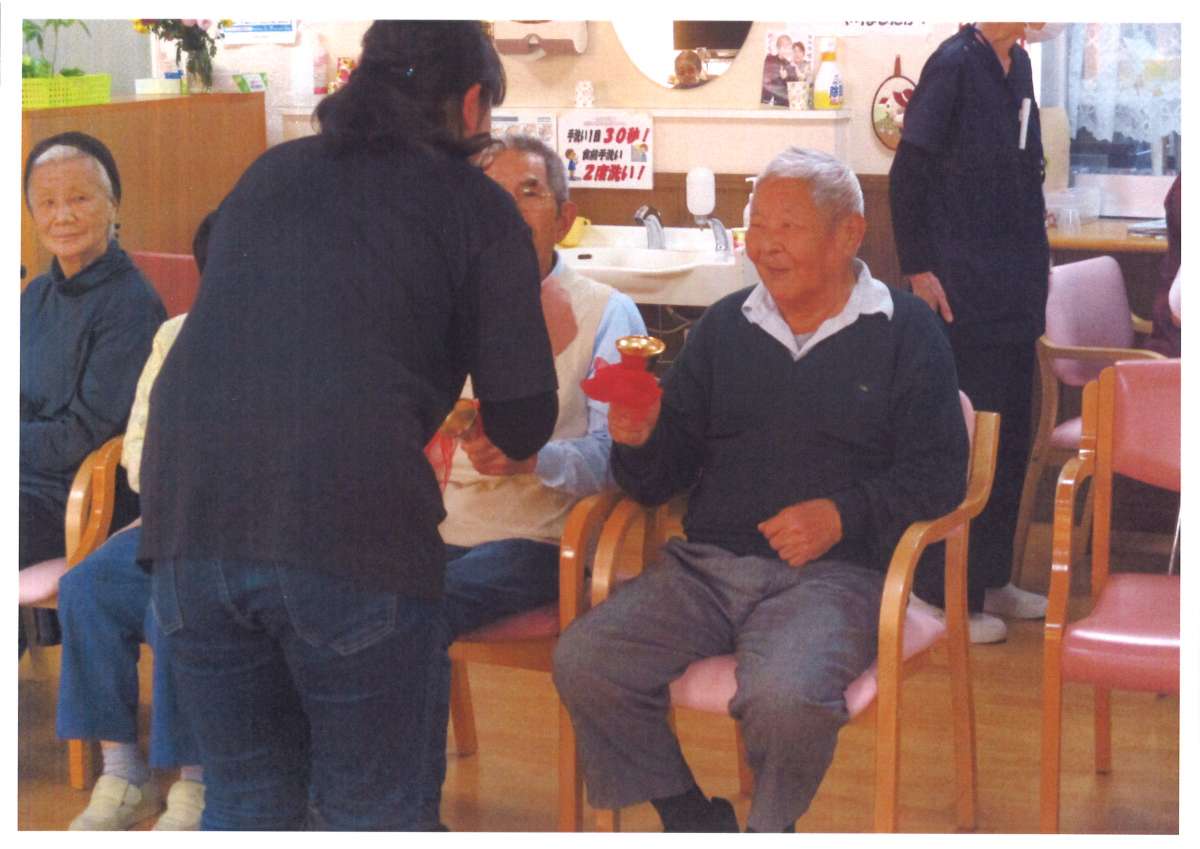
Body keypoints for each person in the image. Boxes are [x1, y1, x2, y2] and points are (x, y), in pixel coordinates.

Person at [136, 21, 558, 830]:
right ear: (472, 102)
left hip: (189, 521)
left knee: (246, 802)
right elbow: (523, 418)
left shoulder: (270, 172)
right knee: (374, 814)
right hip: (351, 526)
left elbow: (224, 268)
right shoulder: (476, 207)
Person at [553, 148, 968, 833]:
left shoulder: (906, 330)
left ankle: (770, 829)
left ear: (849, 234)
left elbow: (940, 474)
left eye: (789, 226)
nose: (766, 245)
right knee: (586, 659)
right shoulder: (723, 327)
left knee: (786, 696)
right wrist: (639, 440)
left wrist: (841, 515)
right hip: (706, 569)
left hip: (836, 576)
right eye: (758, 226)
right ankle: (690, 816)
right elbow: (661, 478)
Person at [417, 135, 645, 827]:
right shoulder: (438, 306)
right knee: (339, 590)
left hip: (543, 537)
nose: (508, 210)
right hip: (438, 521)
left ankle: (403, 808)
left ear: (564, 216)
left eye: (530, 193)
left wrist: (532, 459)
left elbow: (616, 455)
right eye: (492, 195)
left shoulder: (606, 312)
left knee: (414, 609)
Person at [888, 23, 1051, 644]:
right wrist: (918, 267)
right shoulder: (954, 64)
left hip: (1014, 288)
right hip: (962, 291)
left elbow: (1022, 167)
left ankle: (991, 578)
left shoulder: (1019, 65)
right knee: (965, 440)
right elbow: (908, 173)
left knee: (1008, 441)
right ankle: (940, 594)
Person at [55, 213, 216, 831]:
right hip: (171, 515)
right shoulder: (174, 335)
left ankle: (198, 781)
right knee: (86, 585)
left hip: (242, 530)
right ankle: (123, 773)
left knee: (172, 601)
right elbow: (138, 446)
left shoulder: (292, 338)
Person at [20, 132, 165, 649]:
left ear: (113, 205)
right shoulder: (36, 295)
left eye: (80, 198)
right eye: (47, 202)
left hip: (82, 497)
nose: (63, 215)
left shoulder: (131, 304)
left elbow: (85, 436)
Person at [760, 34, 795, 105]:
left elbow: (793, 87)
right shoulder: (769, 59)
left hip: (783, 104)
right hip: (766, 101)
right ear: (778, 48)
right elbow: (765, 80)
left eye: (789, 47)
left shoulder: (791, 66)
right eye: (784, 47)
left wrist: (786, 78)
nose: (787, 50)